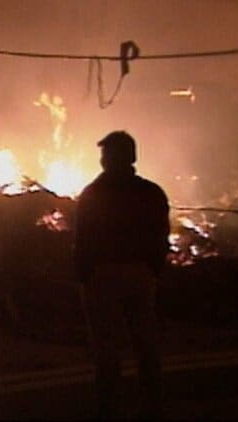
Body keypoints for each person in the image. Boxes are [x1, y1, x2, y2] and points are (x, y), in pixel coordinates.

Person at [73, 131, 170, 419]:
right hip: (140, 274)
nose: (103, 160)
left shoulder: (93, 193)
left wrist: (84, 274)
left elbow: (83, 238)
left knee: (106, 346)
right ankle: (152, 405)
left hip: (103, 276)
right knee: (145, 342)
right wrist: (153, 269)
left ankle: (109, 408)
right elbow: (161, 235)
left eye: (105, 154)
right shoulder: (152, 192)